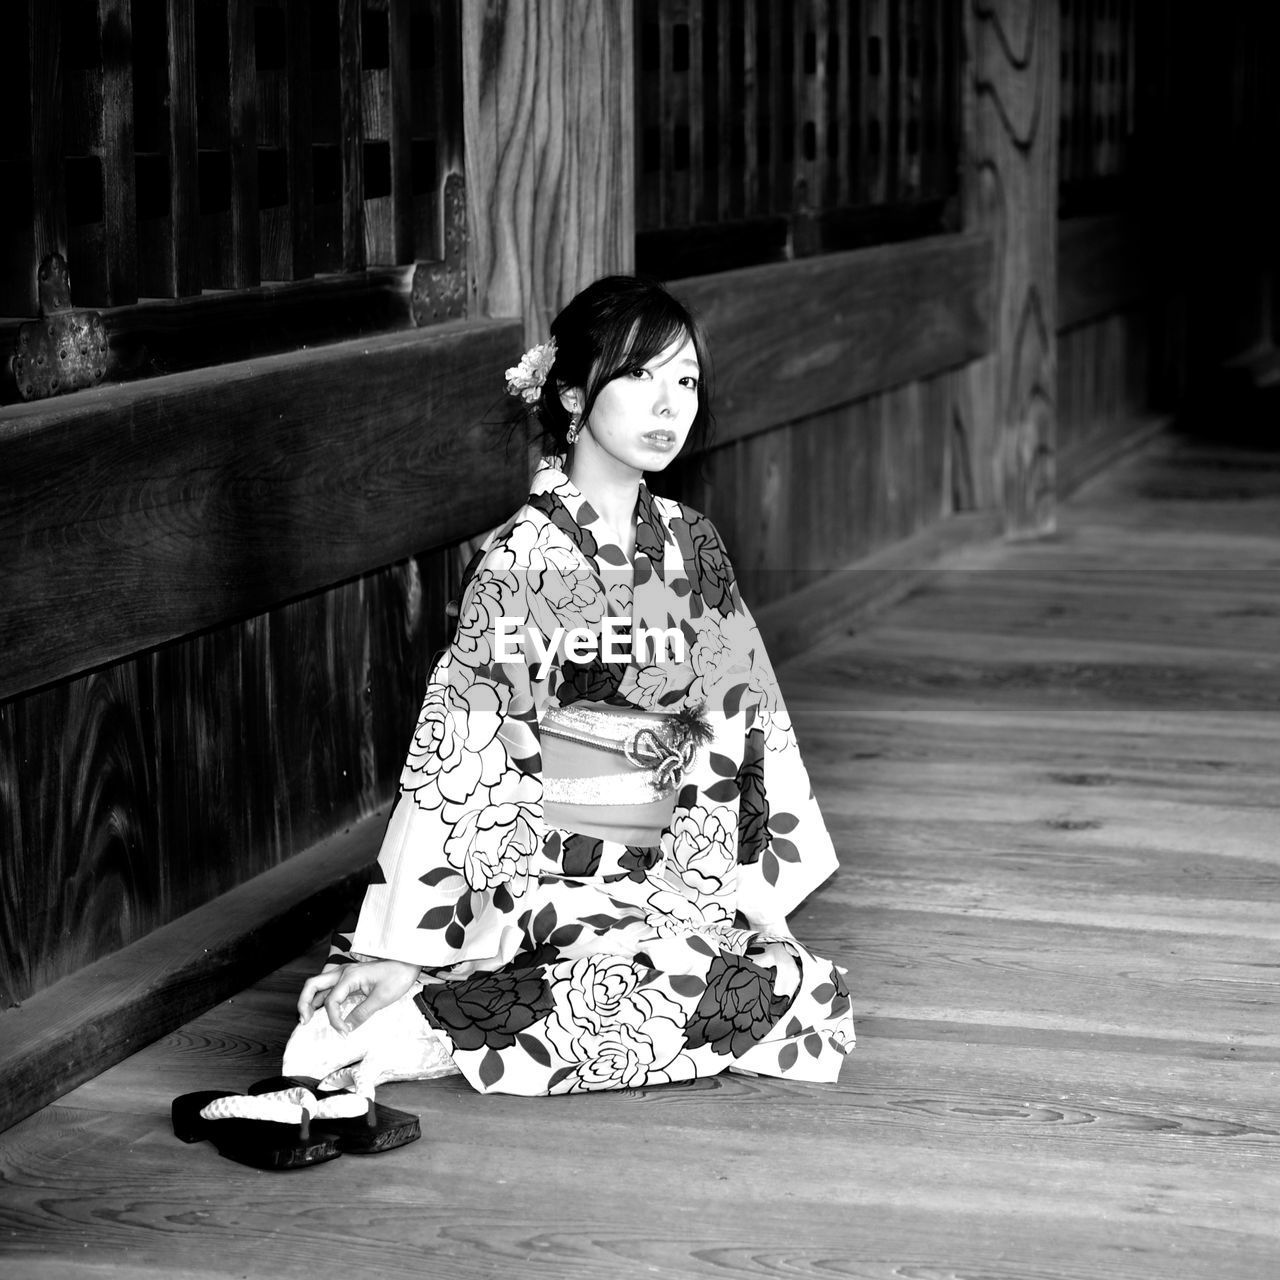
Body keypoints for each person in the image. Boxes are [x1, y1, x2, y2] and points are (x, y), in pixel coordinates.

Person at [285, 275, 854, 1096]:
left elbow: (747, 722)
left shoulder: (692, 541)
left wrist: (729, 883)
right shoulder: (521, 561)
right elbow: (464, 760)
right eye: (640, 376)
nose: (670, 403)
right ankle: (424, 1013)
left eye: (685, 380)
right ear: (574, 394)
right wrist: (403, 948)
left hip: (675, 870)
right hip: (545, 873)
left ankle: (465, 1022)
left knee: (796, 993)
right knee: (677, 988)